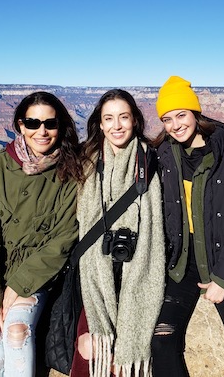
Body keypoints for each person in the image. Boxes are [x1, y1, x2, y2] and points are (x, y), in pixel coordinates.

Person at [0, 91, 84, 377]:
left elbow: (63, 239)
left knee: (16, 332)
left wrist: (19, 284)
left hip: (31, 275)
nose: (42, 131)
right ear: (20, 125)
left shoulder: (70, 174)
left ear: (62, 127)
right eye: (33, 123)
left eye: (50, 123)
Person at [150, 76, 224, 377]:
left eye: (181, 115)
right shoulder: (164, 155)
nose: (175, 125)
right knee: (161, 340)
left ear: (195, 113)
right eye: (167, 119)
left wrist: (223, 279)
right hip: (181, 263)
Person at [71, 89, 165, 377]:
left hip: (138, 272)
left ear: (135, 120)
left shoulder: (153, 161)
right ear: (99, 124)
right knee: (89, 351)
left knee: (125, 360)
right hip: (96, 276)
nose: (117, 125)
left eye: (124, 117)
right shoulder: (86, 161)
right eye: (108, 118)